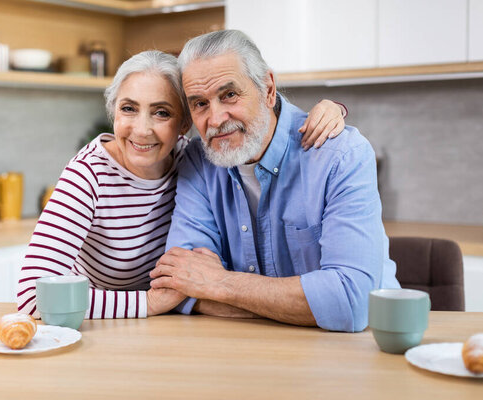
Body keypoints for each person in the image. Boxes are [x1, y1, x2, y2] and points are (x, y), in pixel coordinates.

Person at [17, 50, 347, 320]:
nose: (141, 129)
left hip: (164, 329)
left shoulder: (189, 160)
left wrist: (331, 110)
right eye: (128, 109)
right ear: (113, 112)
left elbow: (257, 119)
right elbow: (33, 297)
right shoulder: (88, 176)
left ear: (184, 123)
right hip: (94, 327)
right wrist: (149, 304)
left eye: (161, 112)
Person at [149, 30, 400, 332]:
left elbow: (351, 302)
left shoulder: (341, 155)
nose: (215, 119)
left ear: (268, 89)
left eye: (229, 95)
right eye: (200, 103)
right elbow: (179, 288)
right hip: (244, 352)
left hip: (358, 350)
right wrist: (303, 305)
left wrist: (218, 283)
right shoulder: (197, 162)